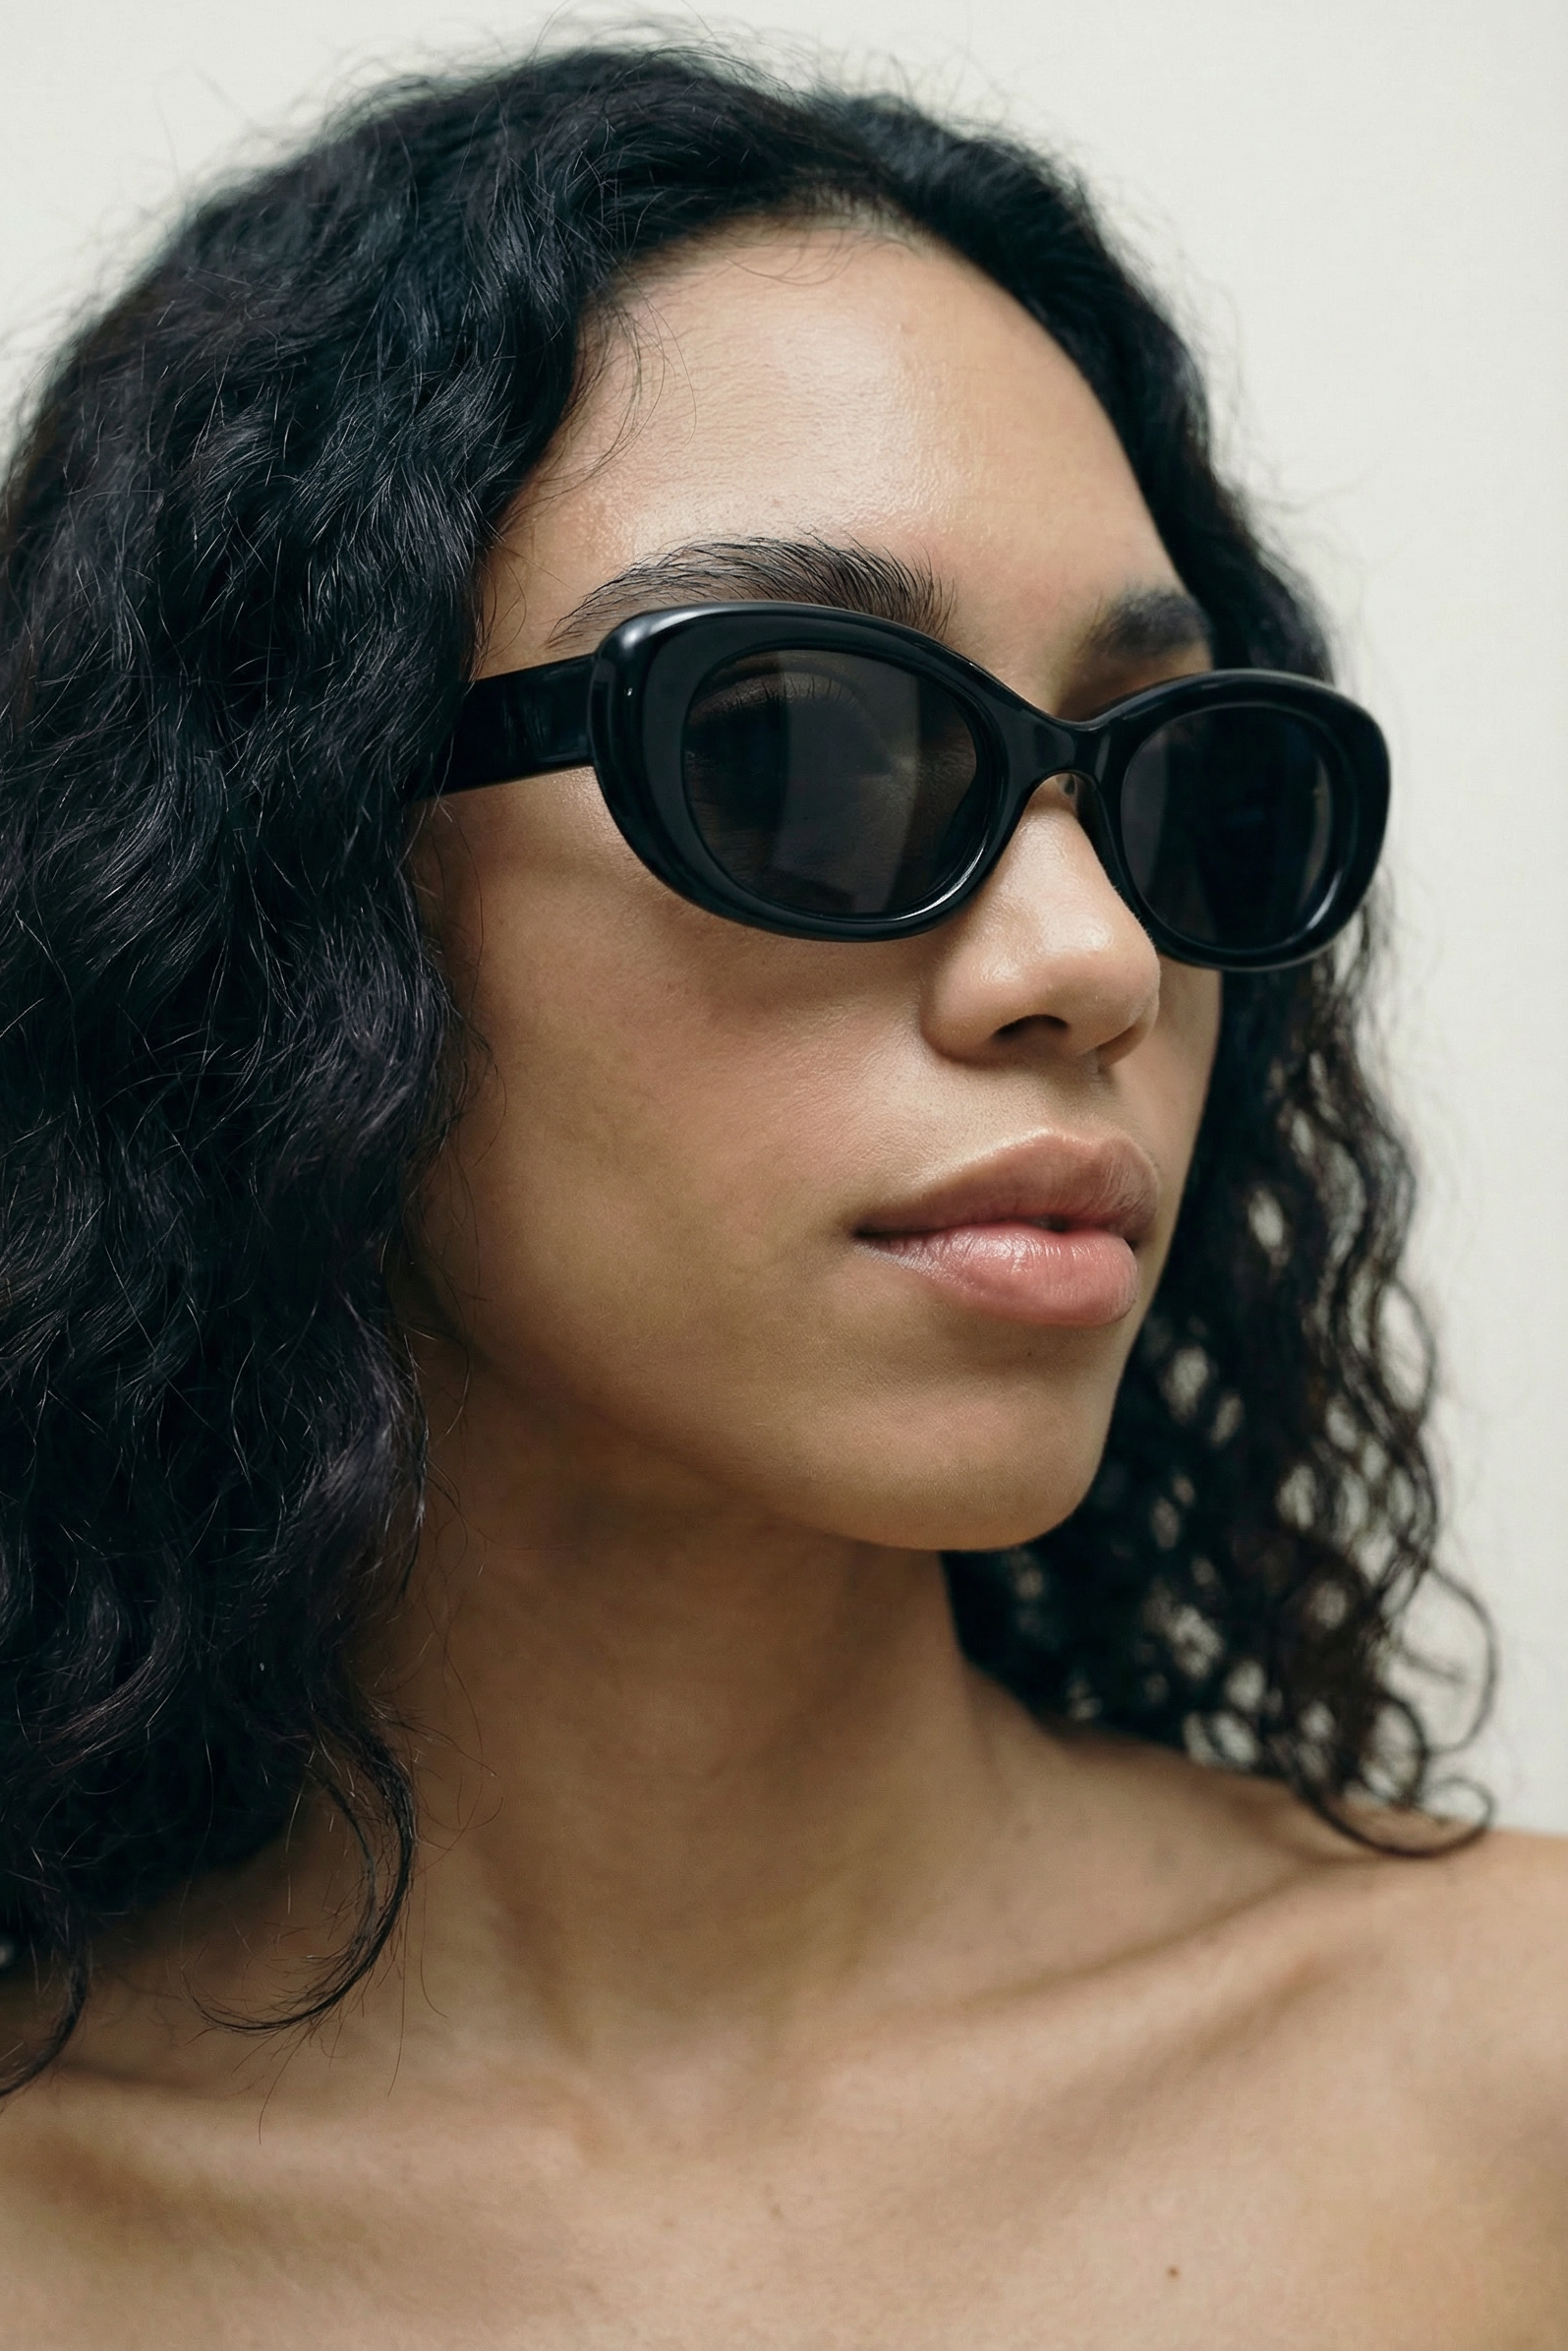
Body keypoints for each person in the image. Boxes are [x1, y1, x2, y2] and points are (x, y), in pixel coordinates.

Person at [0, 42, 1562, 2350]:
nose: (1090, 958)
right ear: (281, 883)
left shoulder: (1514, 2090)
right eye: (798, 749)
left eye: (1175, 781)